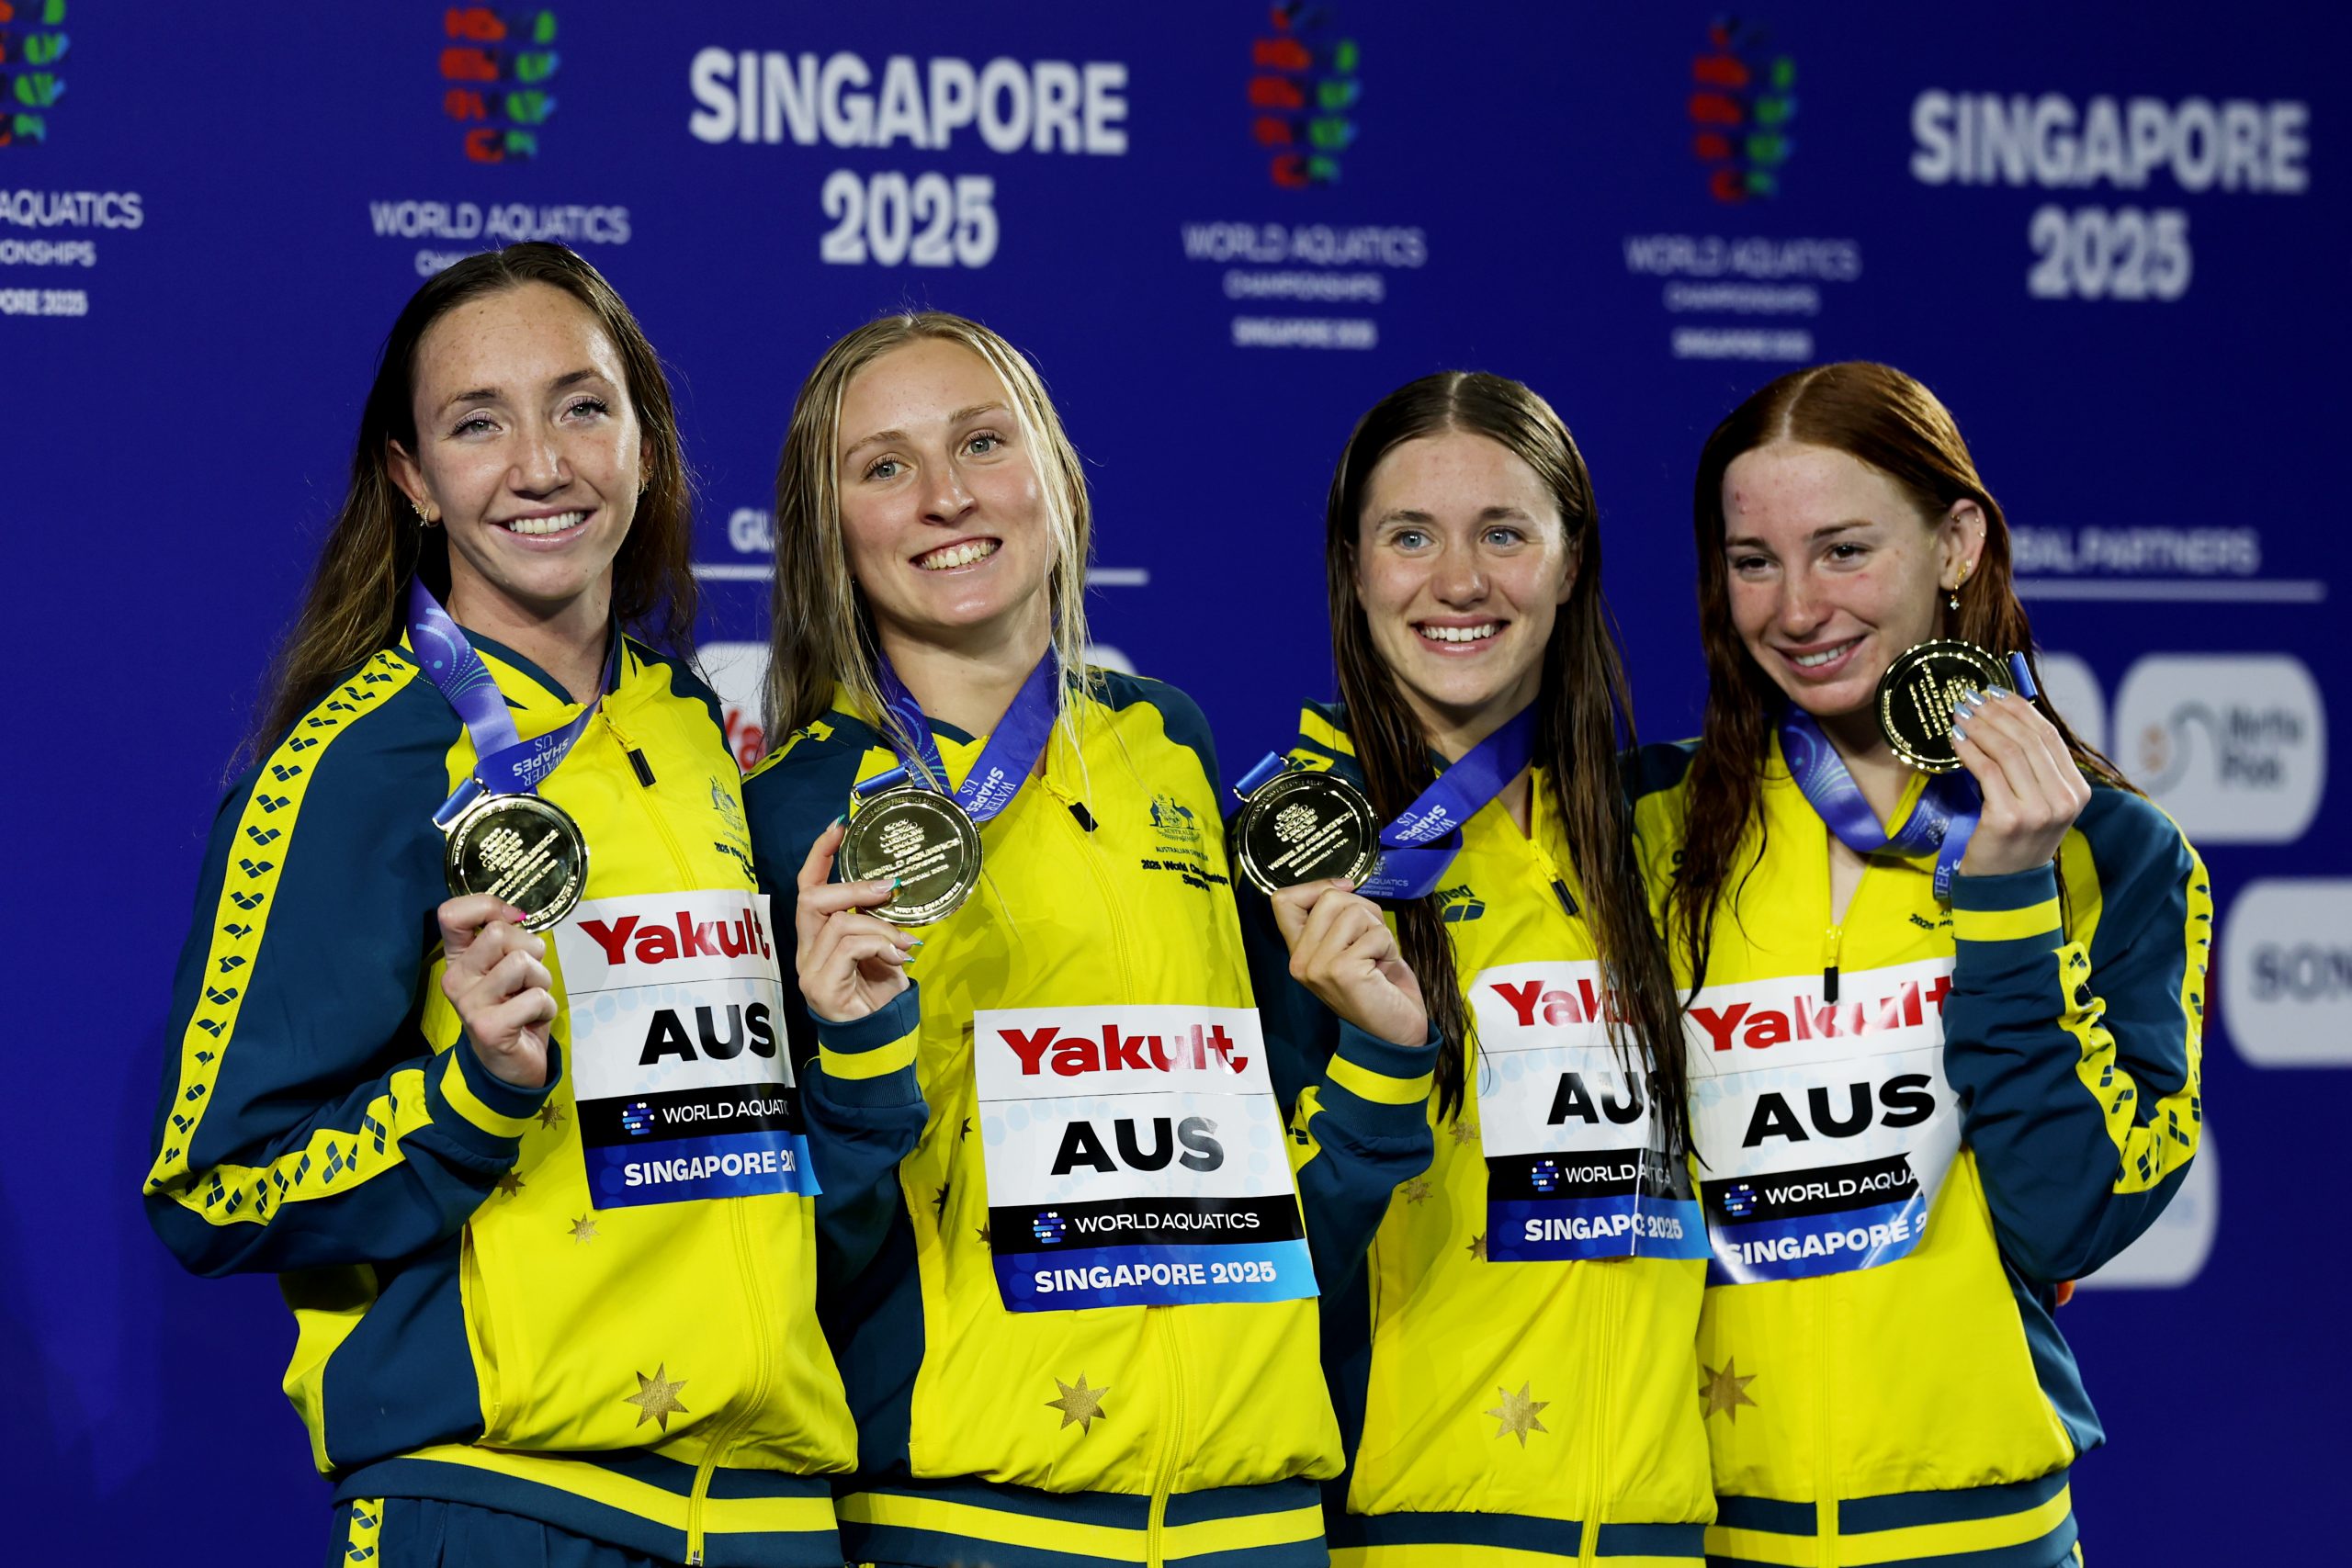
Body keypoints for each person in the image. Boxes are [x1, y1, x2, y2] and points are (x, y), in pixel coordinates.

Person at [143, 243, 890, 1568]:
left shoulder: (705, 737)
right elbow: (213, 1188)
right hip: (505, 1503)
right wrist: (470, 1094)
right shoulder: (356, 762)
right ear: (412, 480)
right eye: (476, 424)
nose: (541, 464)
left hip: (772, 1511)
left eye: (582, 406)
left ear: (646, 445)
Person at [742, 310, 1434, 1567]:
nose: (947, 497)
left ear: (1056, 474)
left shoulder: (1170, 744)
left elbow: (1276, 1181)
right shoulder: (793, 812)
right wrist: (853, 1067)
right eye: (884, 468)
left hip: (1253, 1517)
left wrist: (1387, 1070)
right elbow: (769, 1252)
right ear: (826, 531)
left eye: (982, 443)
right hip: (974, 1520)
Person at [1634, 361, 2207, 1567]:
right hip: (1696, 1529)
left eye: (1844, 550)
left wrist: (2005, 900)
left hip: (1982, 1535)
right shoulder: (1649, 826)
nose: (1795, 609)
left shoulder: (2115, 851)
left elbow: (2070, 1216)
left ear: (1956, 543)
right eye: (1753, 562)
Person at [1242, 371, 1713, 1563]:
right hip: (1412, 1532)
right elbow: (1231, 1253)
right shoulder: (1280, 857)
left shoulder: (1664, 836)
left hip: (1669, 1532)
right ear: (1355, 568)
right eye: (1412, 536)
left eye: (1503, 533)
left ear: (1570, 563)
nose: (1458, 581)